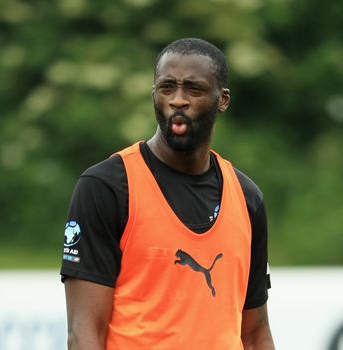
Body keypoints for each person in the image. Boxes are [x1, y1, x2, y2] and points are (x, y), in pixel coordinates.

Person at [60, 37, 275, 350]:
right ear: (154, 95)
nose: (178, 100)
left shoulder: (247, 198)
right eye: (167, 87)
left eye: (194, 89)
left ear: (222, 100)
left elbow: (256, 335)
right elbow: (85, 334)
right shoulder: (107, 187)